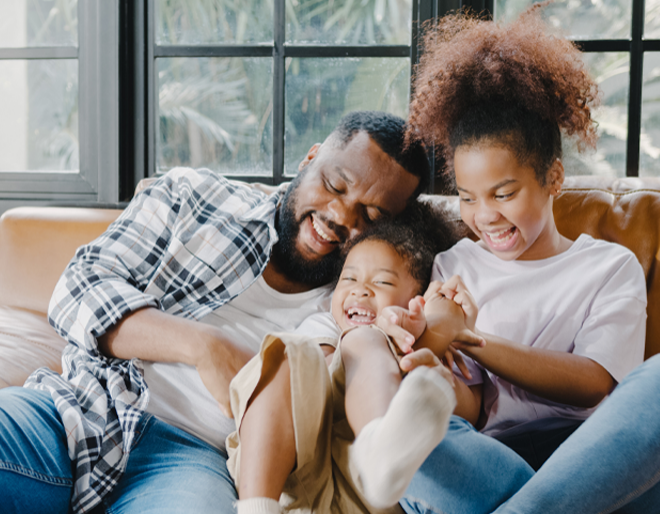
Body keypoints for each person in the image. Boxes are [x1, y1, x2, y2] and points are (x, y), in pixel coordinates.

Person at [0, 111, 430, 514]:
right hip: (78, 408)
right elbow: (79, 287)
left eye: (370, 216)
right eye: (335, 185)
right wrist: (203, 345)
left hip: (195, 459)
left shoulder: (357, 302)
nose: (339, 216)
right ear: (311, 157)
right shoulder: (194, 197)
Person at [380, 8, 660, 514]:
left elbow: (592, 385)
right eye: (467, 198)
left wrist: (469, 336)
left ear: (552, 178)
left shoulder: (608, 267)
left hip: (606, 463)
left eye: (504, 192)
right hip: (493, 463)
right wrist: (426, 352)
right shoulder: (455, 265)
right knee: (400, 421)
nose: (484, 216)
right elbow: (469, 410)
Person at [228, 202, 485, 514]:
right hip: (291, 472)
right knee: (287, 353)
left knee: (380, 350)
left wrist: (427, 345)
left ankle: (382, 454)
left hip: (363, 494)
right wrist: (376, 336)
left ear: (416, 298)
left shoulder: (428, 344)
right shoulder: (326, 325)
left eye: (383, 282)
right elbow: (312, 383)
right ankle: (256, 509)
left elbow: (469, 413)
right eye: (348, 279)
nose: (360, 290)